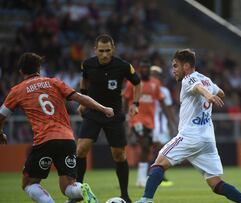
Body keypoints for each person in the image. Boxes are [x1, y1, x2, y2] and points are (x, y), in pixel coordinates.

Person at [135, 49, 241, 203]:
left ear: (186, 66)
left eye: (175, 66)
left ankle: (146, 200)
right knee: (215, 183)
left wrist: (208, 95)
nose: (173, 70)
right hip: (207, 140)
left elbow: (198, 87)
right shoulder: (206, 79)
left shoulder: (188, 79)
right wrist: (210, 95)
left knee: (158, 163)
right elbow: (222, 93)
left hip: (190, 136)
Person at [0, 52, 115, 203]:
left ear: (21, 71)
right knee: (68, 187)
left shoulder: (17, 90)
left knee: (28, 184)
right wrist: (104, 108)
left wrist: (1, 132)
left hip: (44, 141)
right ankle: (82, 189)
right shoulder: (54, 82)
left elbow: (1, 116)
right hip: (67, 139)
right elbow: (80, 98)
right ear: (39, 68)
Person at [76, 34, 141, 203]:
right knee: (81, 149)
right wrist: (83, 101)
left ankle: (125, 195)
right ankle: (76, 194)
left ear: (113, 49)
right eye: (101, 51)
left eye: (108, 50)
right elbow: (84, 81)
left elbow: (137, 83)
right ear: (95, 50)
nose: (105, 54)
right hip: (93, 113)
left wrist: (135, 104)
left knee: (119, 155)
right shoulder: (87, 64)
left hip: (114, 114)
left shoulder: (123, 66)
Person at [123, 61, 174, 188]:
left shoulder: (155, 84)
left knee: (147, 149)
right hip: (136, 119)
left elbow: (162, 102)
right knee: (145, 144)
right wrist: (126, 117)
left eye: (147, 68)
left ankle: (141, 179)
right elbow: (125, 98)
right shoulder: (132, 82)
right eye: (143, 68)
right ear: (140, 69)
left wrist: (171, 121)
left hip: (150, 122)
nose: (145, 70)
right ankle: (142, 178)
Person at [149, 65, 177, 187]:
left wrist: (172, 123)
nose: (154, 76)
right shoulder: (145, 88)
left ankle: (154, 174)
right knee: (153, 148)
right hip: (149, 120)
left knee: (160, 148)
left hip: (161, 122)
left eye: (156, 74)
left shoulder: (164, 91)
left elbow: (169, 109)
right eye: (152, 74)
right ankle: (153, 174)